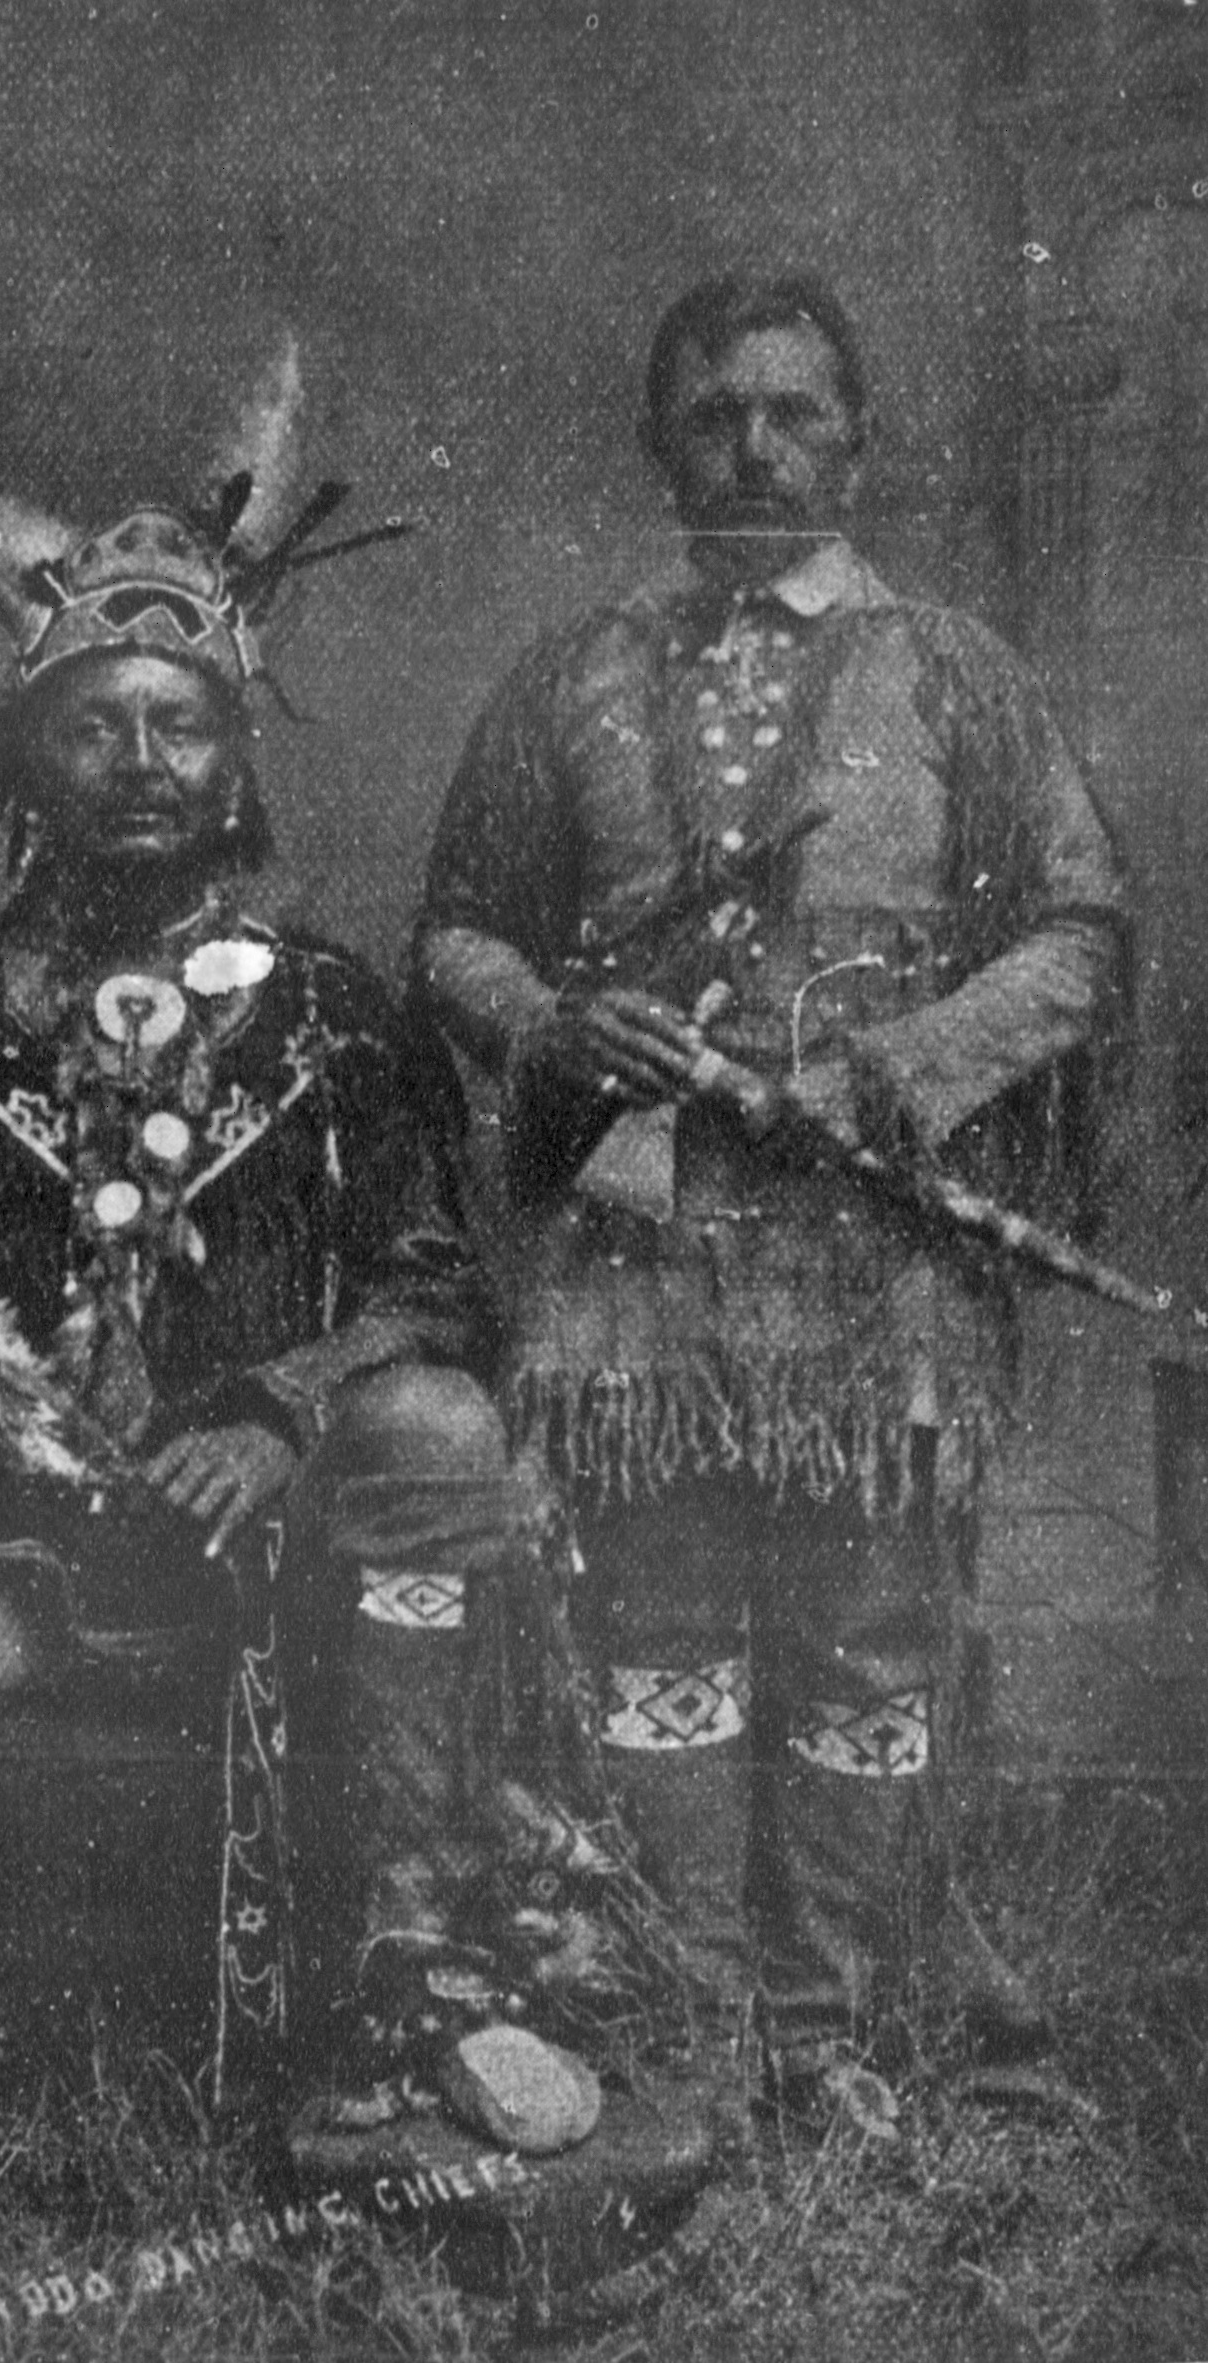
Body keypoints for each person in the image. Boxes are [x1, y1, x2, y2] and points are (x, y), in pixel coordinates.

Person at [0, 494, 530, 2338]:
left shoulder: (332, 1015)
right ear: (26, 752)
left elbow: (442, 1286)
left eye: (182, 722)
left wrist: (294, 1412)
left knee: (441, 1428)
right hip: (4, 1557)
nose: (141, 761)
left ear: (233, 753)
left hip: (272, 1560)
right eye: (95, 724)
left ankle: (409, 2012)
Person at [413, 273, 1128, 2124]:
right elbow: (453, 941)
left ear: (857, 441)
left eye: (794, 412)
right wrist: (559, 1030)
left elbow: (1077, 937)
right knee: (657, 1629)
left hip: (876, 1263)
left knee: (869, 1631)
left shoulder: (958, 673)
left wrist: (893, 1074)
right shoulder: (567, 675)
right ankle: (697, 2032)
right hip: (636, 1269)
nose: (753, 448)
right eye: (715, 414)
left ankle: (832, 2031)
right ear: (663, 444)